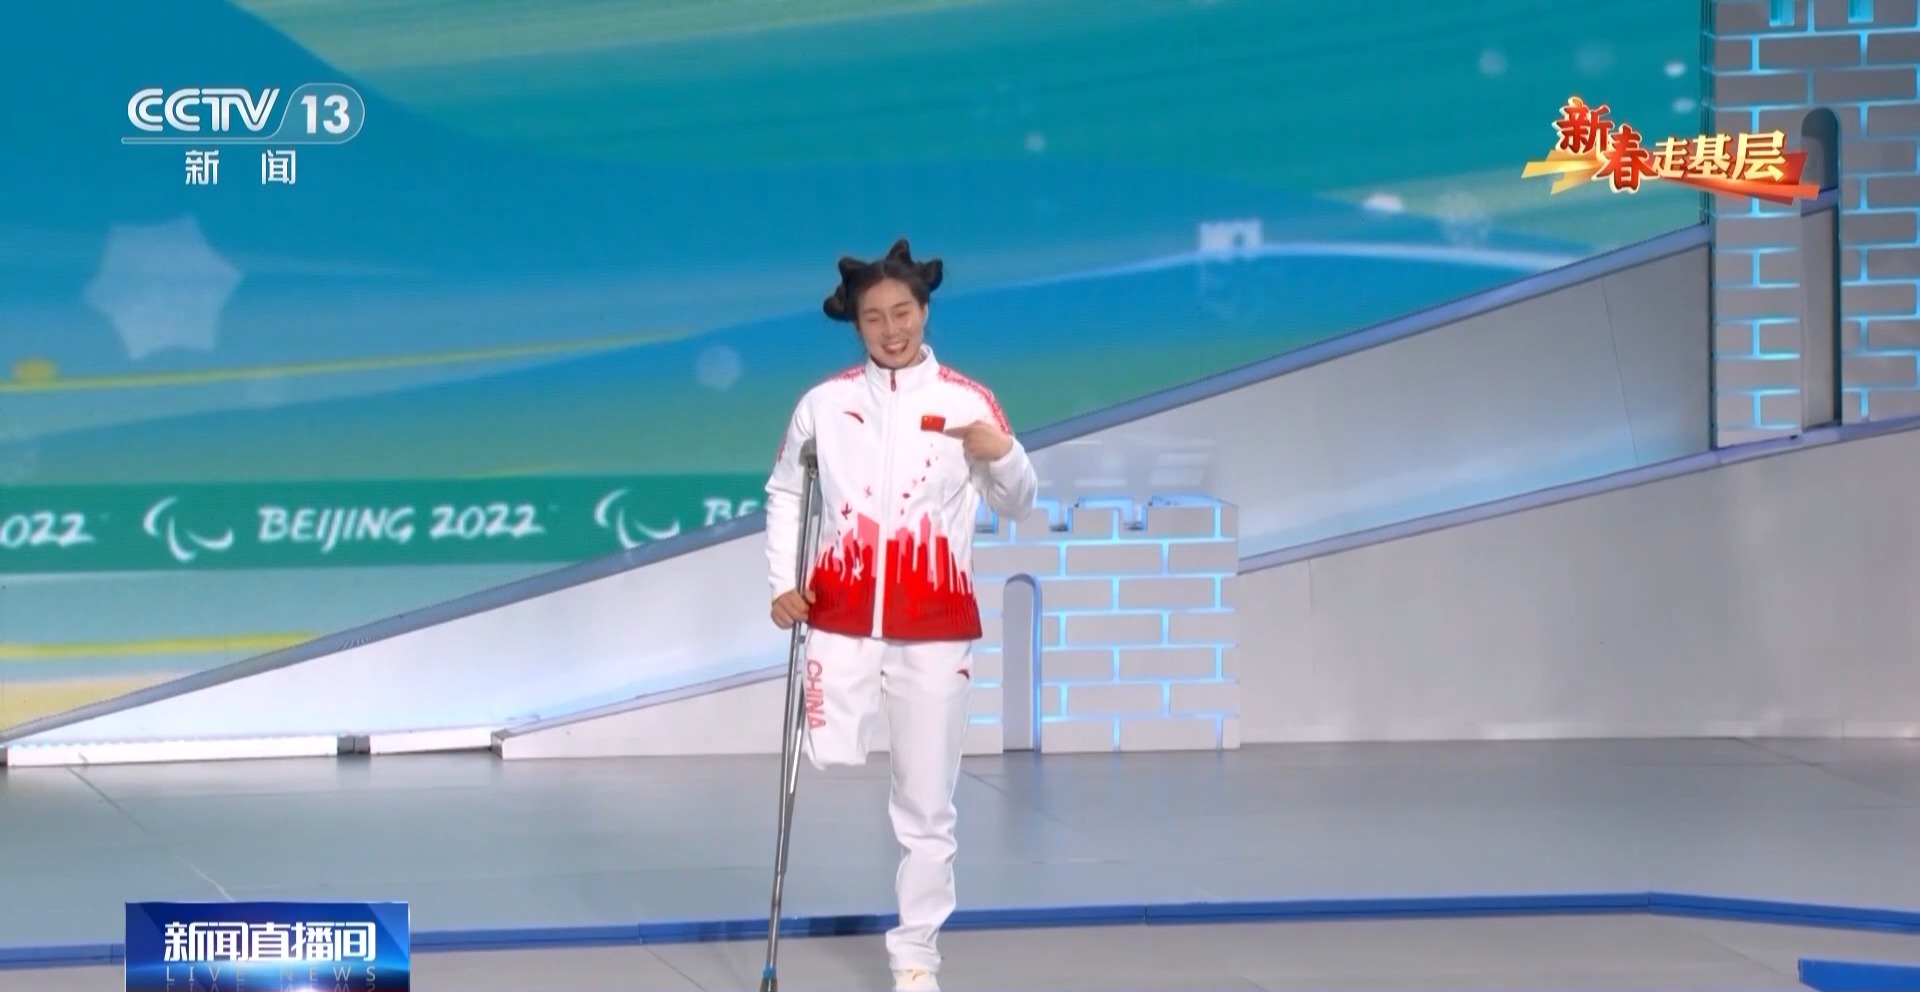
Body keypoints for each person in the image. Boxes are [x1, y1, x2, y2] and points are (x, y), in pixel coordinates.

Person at [763, 238, 1039, 992]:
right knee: (830, 754)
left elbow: (1019, 501)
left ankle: (916, 956)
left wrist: (1004, 453)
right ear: (855, 323)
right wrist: (784, 582)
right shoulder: (824, 405)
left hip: (935, 627)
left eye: (903, 312)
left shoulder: (967, 402)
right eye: (874, 317)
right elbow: (785, 491)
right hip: (839, 621)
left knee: (926, 806)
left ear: (924, 311)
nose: (892, 329)